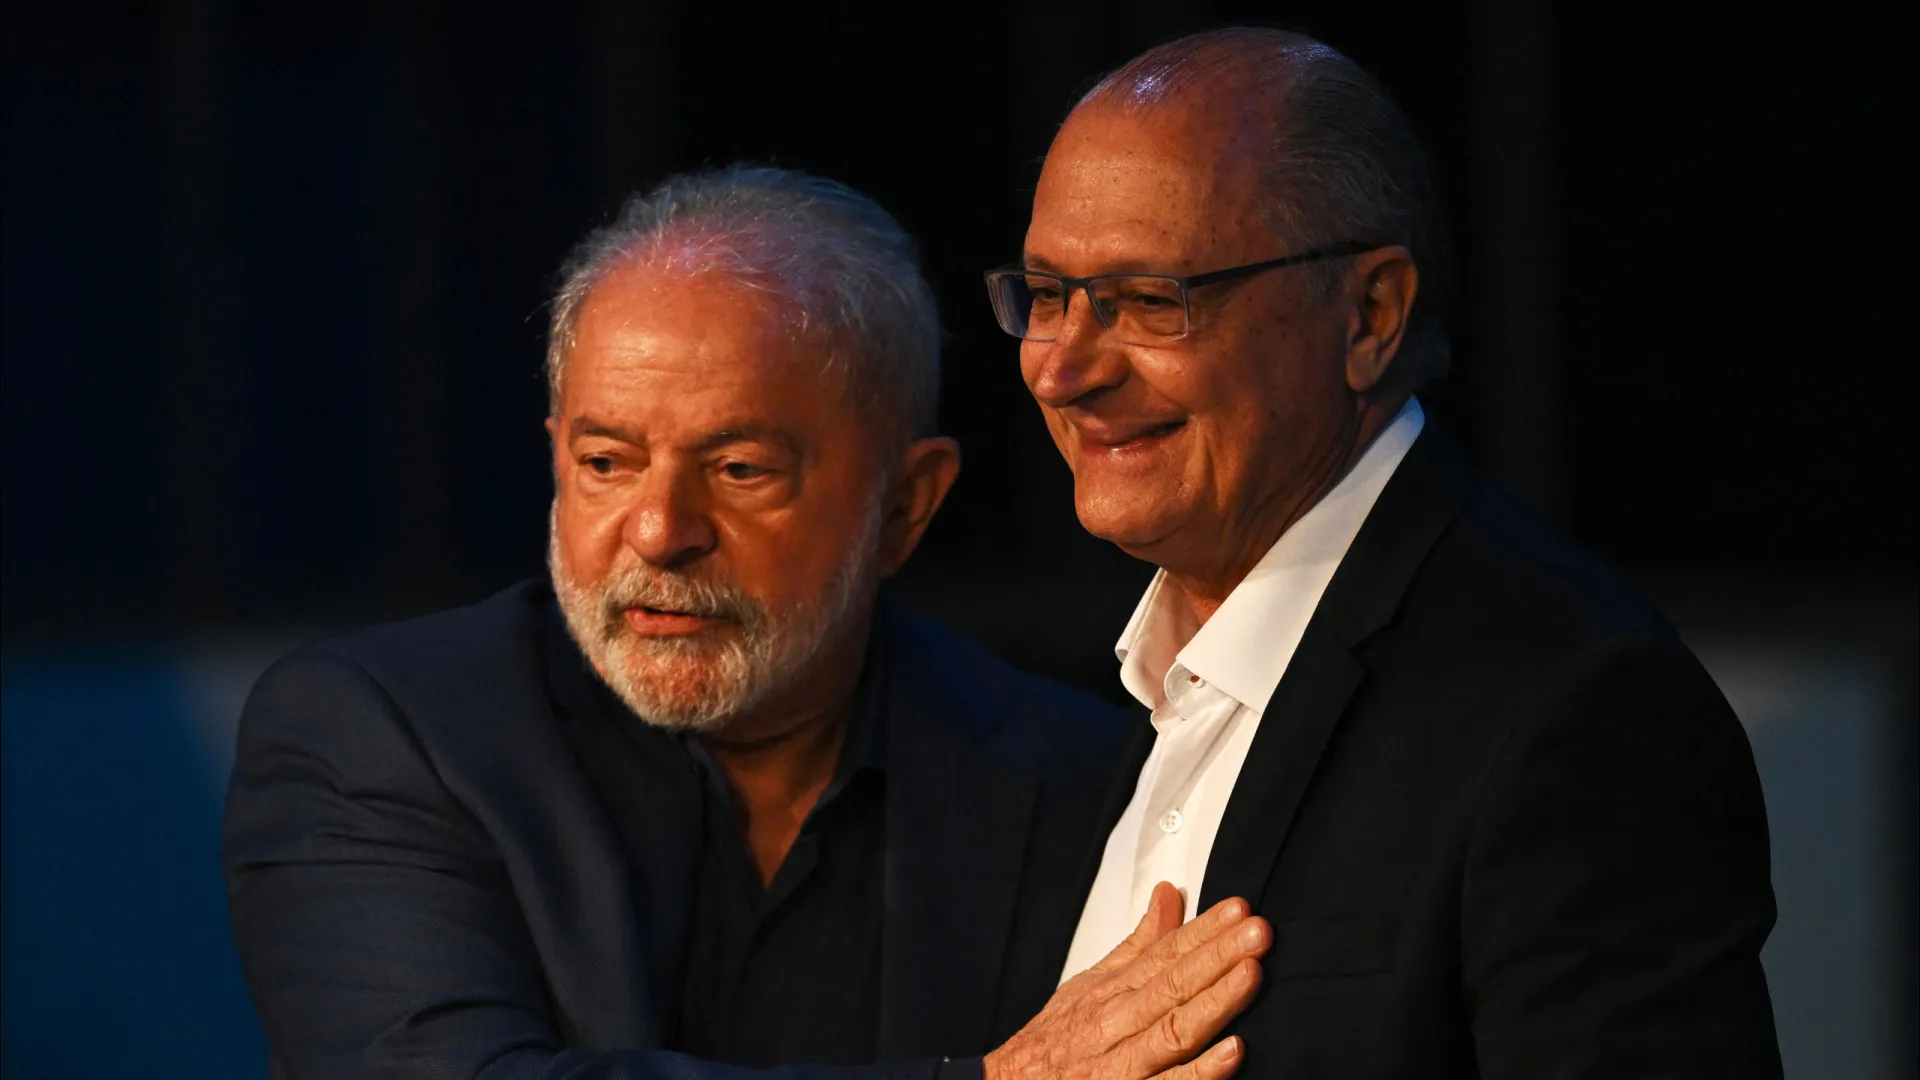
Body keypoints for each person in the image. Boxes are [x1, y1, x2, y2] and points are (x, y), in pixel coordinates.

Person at [223, 166, 1271, 1080]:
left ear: (906, 506)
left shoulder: (1085, 784)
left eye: (738, 469)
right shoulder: (380, 737)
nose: (658, 531)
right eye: (606, 462)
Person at [988, 28, 1783, 1078]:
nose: (1062, 370)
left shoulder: (1571, 706)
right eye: (1048, 296)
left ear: (1370, 315)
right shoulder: (1121, 709)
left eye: (1148, 302)